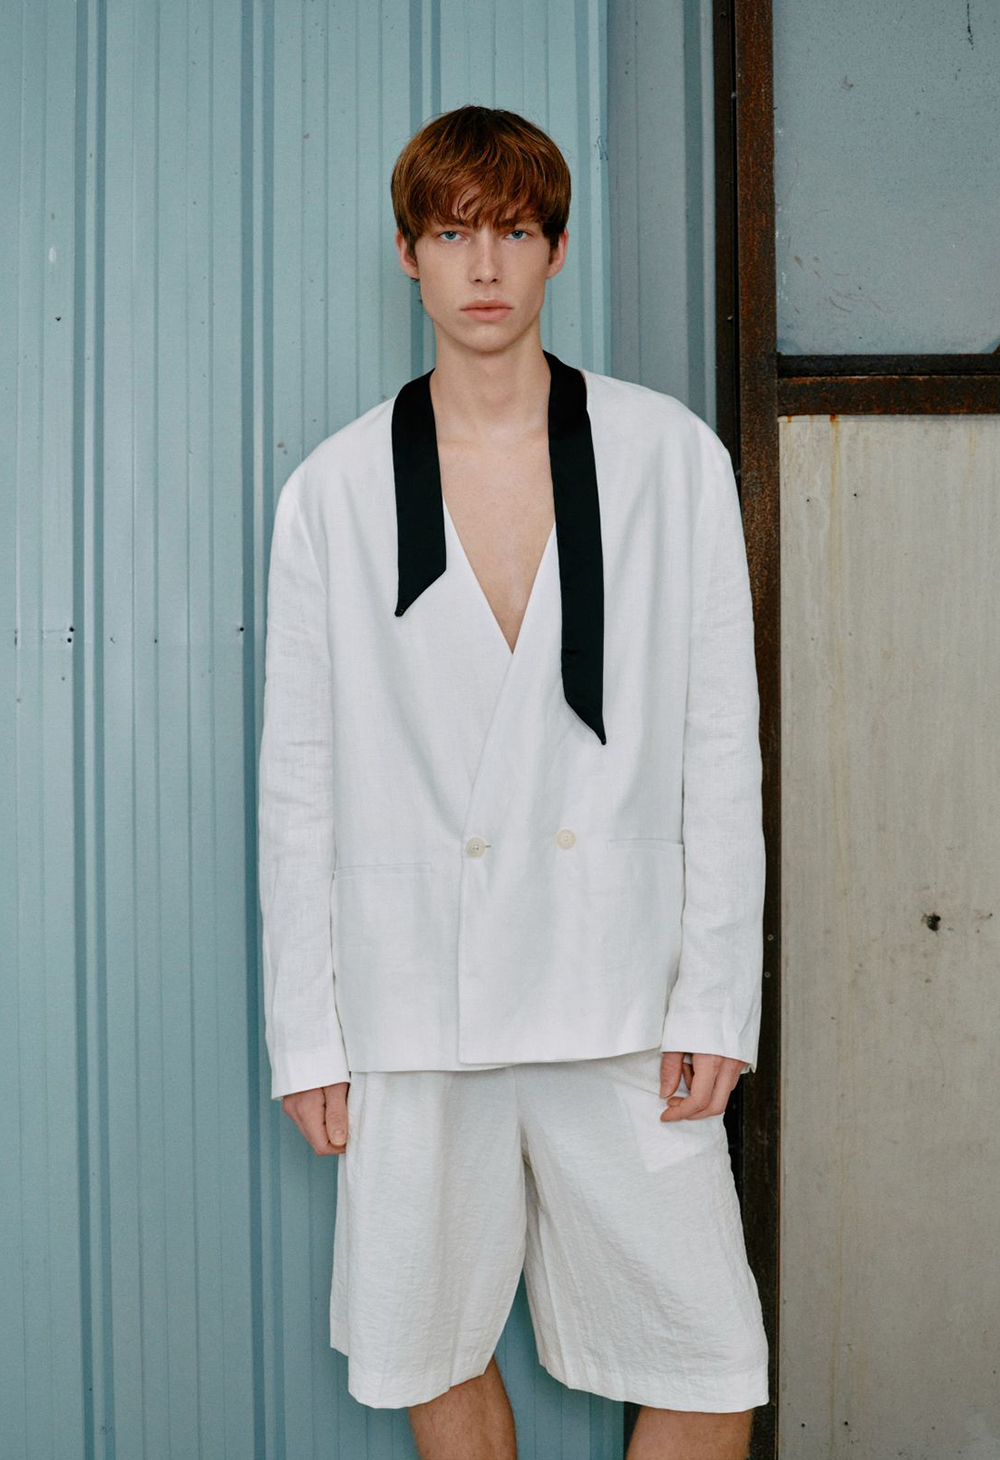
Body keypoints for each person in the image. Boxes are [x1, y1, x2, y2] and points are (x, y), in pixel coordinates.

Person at [257, 103, 768, 1460]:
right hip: (415, 993)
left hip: (625, 988)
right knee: (430, 1347)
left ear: (556, 250)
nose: (484, 265)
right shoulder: (334, 491)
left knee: (710, 1361)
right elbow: (298, 782)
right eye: (452, 233)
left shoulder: (670, 460)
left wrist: (718, 997)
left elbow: (722, 748)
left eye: (516, 231)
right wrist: (307, 1035)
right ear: (408, 254)